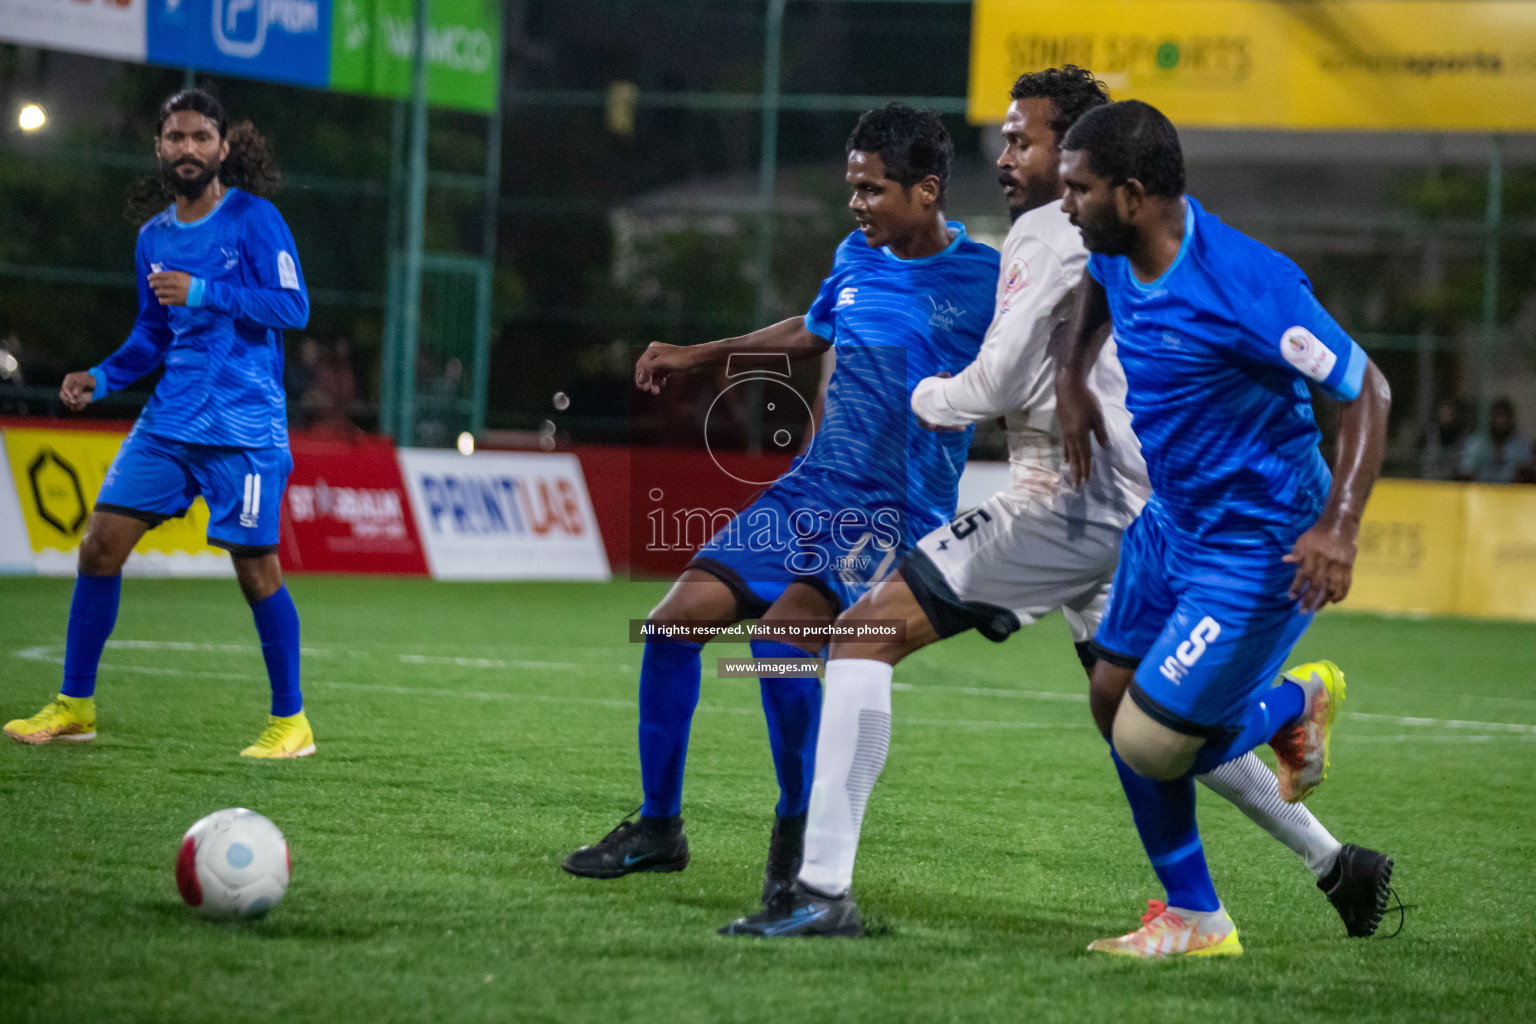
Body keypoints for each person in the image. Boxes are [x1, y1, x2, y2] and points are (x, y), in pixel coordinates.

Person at [721, 68, 1393, 941]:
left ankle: (818, 890)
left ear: (1102, 171)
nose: (1006, 158)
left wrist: (921, 397)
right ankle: (1333, 861)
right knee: (1145, 719)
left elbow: (994, 379)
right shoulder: (1106, 239)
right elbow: (1087, 304)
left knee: (862, 636)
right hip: (1143, 509)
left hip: (1073, 501)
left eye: (1024, 141)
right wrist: (1074, 376)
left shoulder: (1055, 230)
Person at [561, 105, 1000, 901]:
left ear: (928, 191)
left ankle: (798, 835)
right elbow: (816, 328)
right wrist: (702, 355)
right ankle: (660, 828)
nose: (856, 204)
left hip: (891, 509)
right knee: (669, 627)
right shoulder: (856, 255)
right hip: (811, 487)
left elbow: (1031, 367)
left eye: (872, 190)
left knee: (779, 641)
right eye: (851, 188)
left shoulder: (986, 282)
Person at [1050, 100, 1391, 956]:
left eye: (1077, 189)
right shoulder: (1119, 249)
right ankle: (1197, 917)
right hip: (1173, 522)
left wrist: (1340, 528)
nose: (1065, 204)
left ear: (1131, 195)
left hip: (1260, 545)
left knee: (1153, 741)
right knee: (1107, 698)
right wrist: (1071, 378)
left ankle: (1295, 699)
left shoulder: (1248, 285)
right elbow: (1097, 286)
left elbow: (1368, 391)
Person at [3, 90, 315, 759]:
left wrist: (205, 291)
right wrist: (103, 377)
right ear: (160, 147)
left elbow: (293, 308)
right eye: (176, 138)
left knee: (256, 572)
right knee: (98, 548)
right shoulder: (154, 238)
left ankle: (291, 723)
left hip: (243, 430)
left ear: (224, 147)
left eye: (202, 137)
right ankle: (75, 705)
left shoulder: (255, 220)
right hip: (169, 423)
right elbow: (150, 335)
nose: (189, 149)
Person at [1457, 398, 1531, 483]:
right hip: (1479, 493)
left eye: (1504, 416)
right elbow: (1466, 472)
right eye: (1497, 416)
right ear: (1490, 418)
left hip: (1513, 493)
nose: (1500, 421)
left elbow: (1526, 474)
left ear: (1512, 419)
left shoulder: (1522, 445)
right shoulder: (1475, 443)